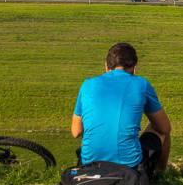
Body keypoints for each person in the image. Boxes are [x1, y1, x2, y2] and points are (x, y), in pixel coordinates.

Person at [71, 42, 171, 176]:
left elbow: (76, 131)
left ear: (106, 66)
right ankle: (161, 174)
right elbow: (164, 128)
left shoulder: (87, 84)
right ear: (134, 68)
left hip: (89, 165)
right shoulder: (141, 84)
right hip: (130, 168)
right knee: (160, 127)